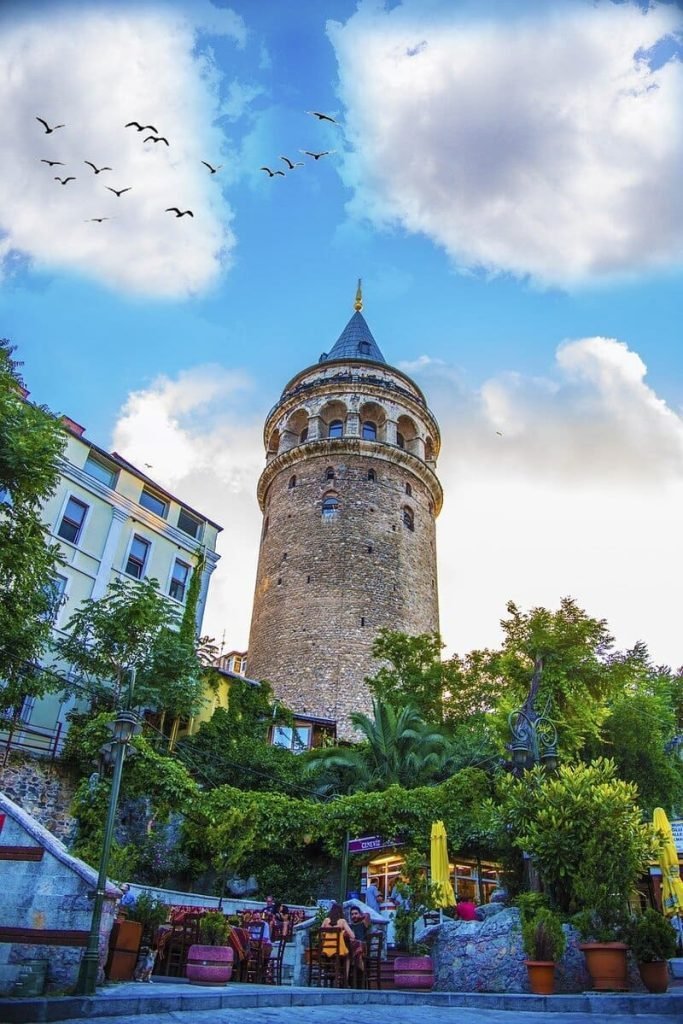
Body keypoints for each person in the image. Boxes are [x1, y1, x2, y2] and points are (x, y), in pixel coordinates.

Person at [321, 902, 355, 981]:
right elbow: (353, 936)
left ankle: (330, 978)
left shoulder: (326, 921)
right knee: (348, 956)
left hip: (326, 949)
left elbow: (320, 933)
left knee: (334, 958)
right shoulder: (342, 921)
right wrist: (342, 933)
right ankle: (345, 979)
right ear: (340, 912)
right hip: (339, 950)